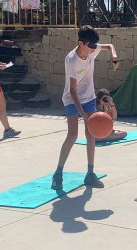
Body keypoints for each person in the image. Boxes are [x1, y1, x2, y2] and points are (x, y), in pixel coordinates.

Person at [51, 25, 119, 190]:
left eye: (95, 46)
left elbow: (109, 46)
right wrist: (83, 114)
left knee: (91, 135)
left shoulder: (91, 50)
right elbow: (73, 91)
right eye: (91, 45)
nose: (94, 48)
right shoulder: (71, 60)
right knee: (72, 135)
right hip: (71, 99)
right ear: (81, 43)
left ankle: (90, 174)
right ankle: (58, 174)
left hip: (88, 98)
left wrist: (114, 56)